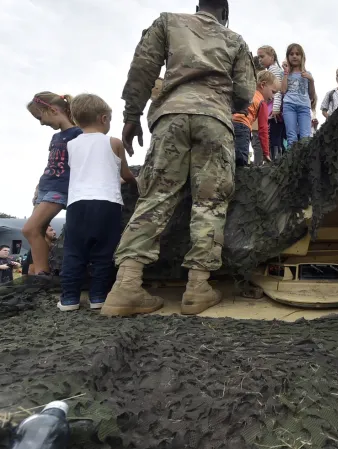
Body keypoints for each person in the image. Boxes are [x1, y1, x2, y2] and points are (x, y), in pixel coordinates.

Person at [102, 0, 252, 317]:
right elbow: (245, 93)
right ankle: (198, 287)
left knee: (155, 195)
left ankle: (127, 285)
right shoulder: (234, 39)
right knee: (210, 201)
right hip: (214, 120)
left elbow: (143, 68)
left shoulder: (168, 22)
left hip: (170, 117)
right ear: (225, 14)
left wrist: (131, 117)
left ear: (197, 5)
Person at [57, 94, 136, 312]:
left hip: (77, 204)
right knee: (104, 252)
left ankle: (69, 299)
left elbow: (85, 172)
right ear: (103, 119)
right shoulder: (114, 143)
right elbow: (126, 174)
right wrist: (133, 182)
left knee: (74, 252)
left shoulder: (70, 145)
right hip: (107, 203)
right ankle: (99, 297)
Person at [23, 92, 83, 278]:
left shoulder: (79, 134)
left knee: (29, 229)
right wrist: (37, 188)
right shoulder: (56, 137)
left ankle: (42, 274)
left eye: (40, 117)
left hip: (60, 188)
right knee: (39, 230)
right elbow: (51, 164)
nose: (41, 123)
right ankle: (37, 269)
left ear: (52, 110)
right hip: (46, 186)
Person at [234, 70, 277, 166]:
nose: (273, 97)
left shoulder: (247, 93)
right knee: (240, 161)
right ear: (263, 85)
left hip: (229, 124)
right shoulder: (262, 102)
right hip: (243, 127)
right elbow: (263, 128)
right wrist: (266, 153)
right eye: (273, 92)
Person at [281, 43, 317, 144]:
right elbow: (283, 91)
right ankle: (292, 159)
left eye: (297, 54)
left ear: (302, 57)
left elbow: (311, 95)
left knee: (305, 136)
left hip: (304, 107)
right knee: (291, 136)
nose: (294, 56)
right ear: (288, 56)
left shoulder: (307, 74)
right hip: (289, 105)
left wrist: (311, 80)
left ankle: (304, 159)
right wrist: (286, 73)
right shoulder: (285, 73)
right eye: (291, 54)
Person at [257, 45, 286, 160]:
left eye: (262, 56)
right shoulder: (271, 70)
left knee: (274, 136)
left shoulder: (273, 70)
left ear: (272, 57)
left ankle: (275, 160)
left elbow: (277, 90)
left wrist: (275, 108)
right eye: (258, 57)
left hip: (274, 111)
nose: (260, 59)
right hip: (274, 109)